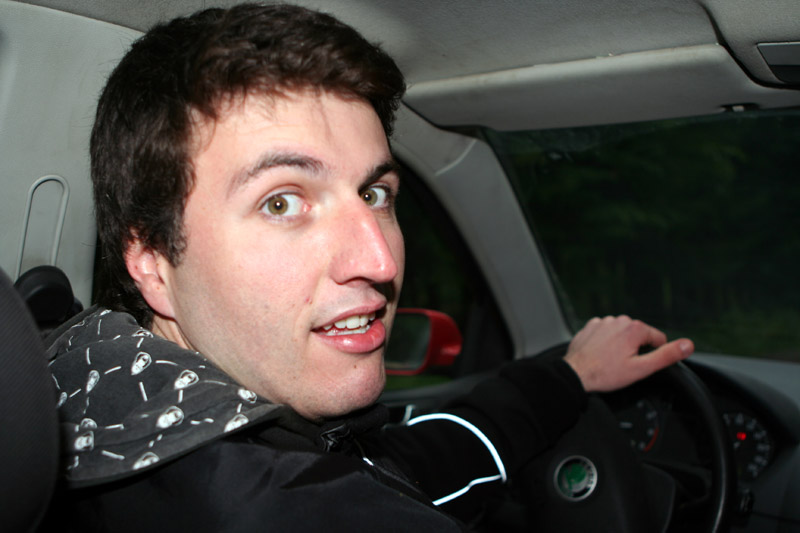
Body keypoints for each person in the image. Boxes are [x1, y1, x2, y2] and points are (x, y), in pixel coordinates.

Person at [46, 4, 693, 531]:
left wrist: (570, 374)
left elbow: (409, 462)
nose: (379, 261)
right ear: (152, 260)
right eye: (282, 202)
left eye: (375, 193)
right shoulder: (293, 510)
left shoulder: (86, 384)